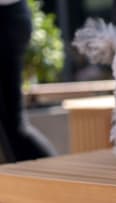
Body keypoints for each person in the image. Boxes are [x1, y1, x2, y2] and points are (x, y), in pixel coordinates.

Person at [0, 0, 57, 162]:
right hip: (12, 16)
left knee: (14, 127)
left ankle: (56, 177)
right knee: (12, 126)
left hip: (6, 19)